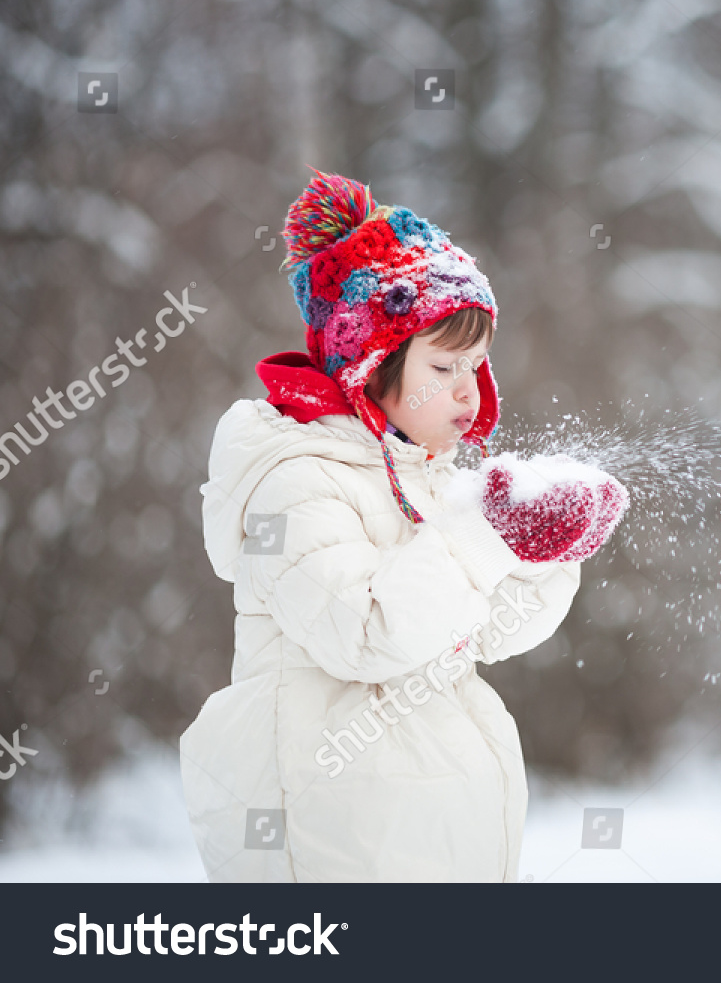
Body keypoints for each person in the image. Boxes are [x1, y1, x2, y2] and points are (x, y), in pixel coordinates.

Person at [180, 171, 626, 881]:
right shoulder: (293, 480)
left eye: (476, 366)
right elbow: (367, 631)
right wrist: (486, 535)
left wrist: (543, 552)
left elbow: (483, 629)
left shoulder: (425, 476)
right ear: (368, 365)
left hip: (431, 831)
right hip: (332, 834)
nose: (466, 389)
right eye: (444, 364)